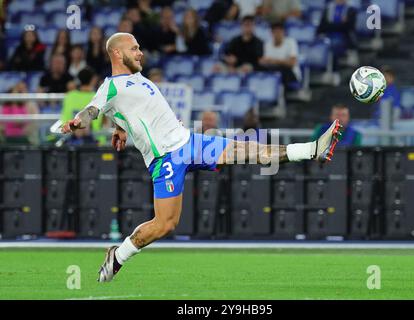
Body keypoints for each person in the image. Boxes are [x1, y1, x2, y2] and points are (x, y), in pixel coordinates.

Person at [61, 32, 343, 282]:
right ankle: (118, 255)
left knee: (251, 151)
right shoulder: (109, 86)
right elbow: (92, 110)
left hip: (189, 141)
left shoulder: (138, 79)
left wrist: (120, 127)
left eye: (139, 48)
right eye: (134, 48)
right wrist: (77, 121)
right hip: (166, 159)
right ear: (117, 53)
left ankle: (312, 149)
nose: (140, 52)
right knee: (165, 225)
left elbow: (130, 108)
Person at [61, 67, 107, 145]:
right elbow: (103, 123)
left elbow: (65, 120)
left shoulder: (69, 96)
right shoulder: (98, 97)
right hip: (96, 141)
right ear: (92, 80)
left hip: (71, 140)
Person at [259, 22, 300, 89]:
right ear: (271, 33)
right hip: (273, 71)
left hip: (289, 73)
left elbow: (292, 63)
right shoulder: (267, 44)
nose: (277, 34)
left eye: (279, 32)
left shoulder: (291, 42)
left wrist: (274, 61)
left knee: (282, 71)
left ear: (283, 32)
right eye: (275, 32)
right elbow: (263, 61)